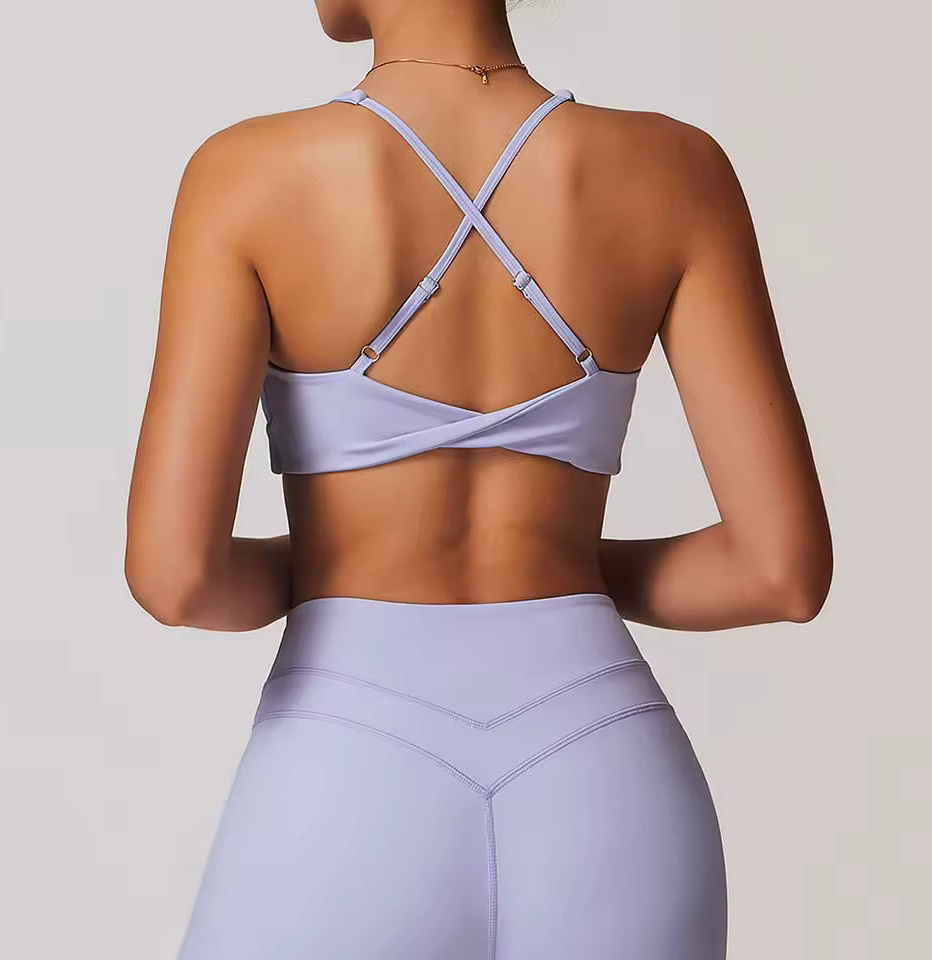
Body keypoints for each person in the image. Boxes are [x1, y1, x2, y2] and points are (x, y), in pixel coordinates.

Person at [125, 1, 833, 957]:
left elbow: (177, 578)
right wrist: (558, 563)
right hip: (607, 777)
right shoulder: (678, 170)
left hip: (346, 766)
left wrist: (340, 561)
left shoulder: (245, 174)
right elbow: (779, 573)